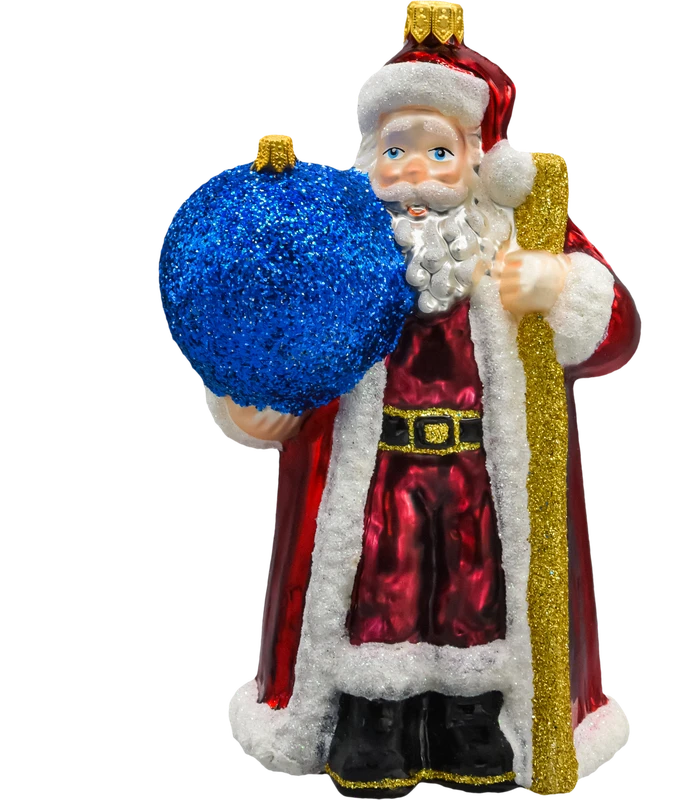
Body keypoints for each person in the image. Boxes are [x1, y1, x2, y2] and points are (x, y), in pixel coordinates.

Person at [221, 6, 641, 797]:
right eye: (396, 150)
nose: (415, 170)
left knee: (473, 595)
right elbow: (271, 325)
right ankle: (368, 722)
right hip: (376, 470)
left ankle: (471, 719)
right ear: (368, 159)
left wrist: (559, 286)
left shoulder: (517, 234)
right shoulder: (336, 247)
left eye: (439, 151)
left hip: (480, 470)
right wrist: (255, 392)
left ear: (478, 163)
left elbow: (614, 335)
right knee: (372, 593)